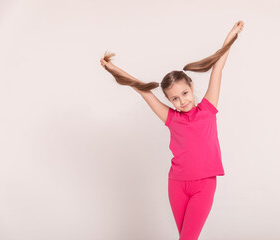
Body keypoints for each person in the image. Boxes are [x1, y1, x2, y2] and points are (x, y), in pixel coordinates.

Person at [100, 20, 244, 240]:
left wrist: (232, 35)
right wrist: (111, 67)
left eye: (184, 94)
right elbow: (143, 90)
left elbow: (218, 68)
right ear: (168, 100)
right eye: (174, 98)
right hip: (176, 184)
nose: (182, 101)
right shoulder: (171, 118)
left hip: (204, 185)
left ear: (192, 88)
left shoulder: (208, 108)